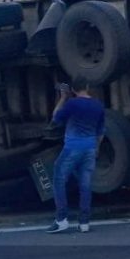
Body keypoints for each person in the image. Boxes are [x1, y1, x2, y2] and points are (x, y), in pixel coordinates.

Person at [46, 77, 106, 235]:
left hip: (72, 147)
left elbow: (55, 118)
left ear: (73, 90)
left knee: (59, 178)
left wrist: (62, 98)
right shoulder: (98, 105)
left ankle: (61, 220)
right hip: (90, 148)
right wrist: (97, 148)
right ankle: (84, 223)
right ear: (87, 86)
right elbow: (100, 132)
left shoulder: (72, 104)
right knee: (85, 185)